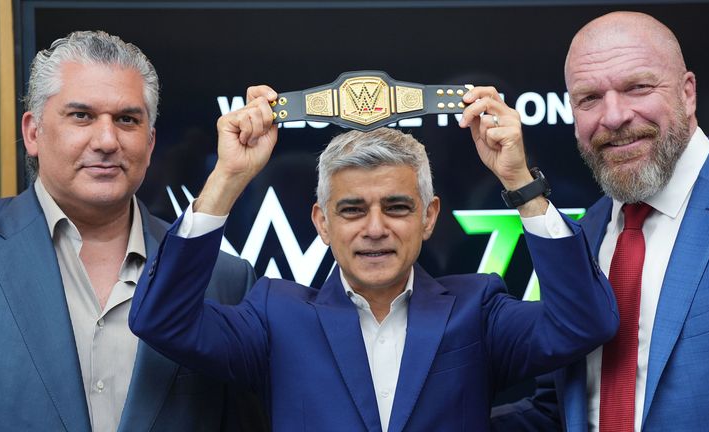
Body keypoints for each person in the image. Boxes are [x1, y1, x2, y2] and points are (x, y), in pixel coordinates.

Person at [129, 82, 619, 432]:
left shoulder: (478, 309)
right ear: (322, 223)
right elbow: (161, 320)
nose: (376, 228)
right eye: (352, 210)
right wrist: (228, 178)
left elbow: (583, 323)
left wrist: (518, 179)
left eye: (397, 207)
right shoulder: (275, 315)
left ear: (429, 218)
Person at [0, 31, 266, 431]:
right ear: (33, 133)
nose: (107, 140)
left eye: (126, 119)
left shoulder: (225, 280)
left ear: (150, 144)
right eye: (81, 116)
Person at [490, 11, 709, 432]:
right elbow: (557, 411)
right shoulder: (586, 234)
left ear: (687, 93)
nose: (613, 117)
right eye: (589, 98)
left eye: (638, 87)